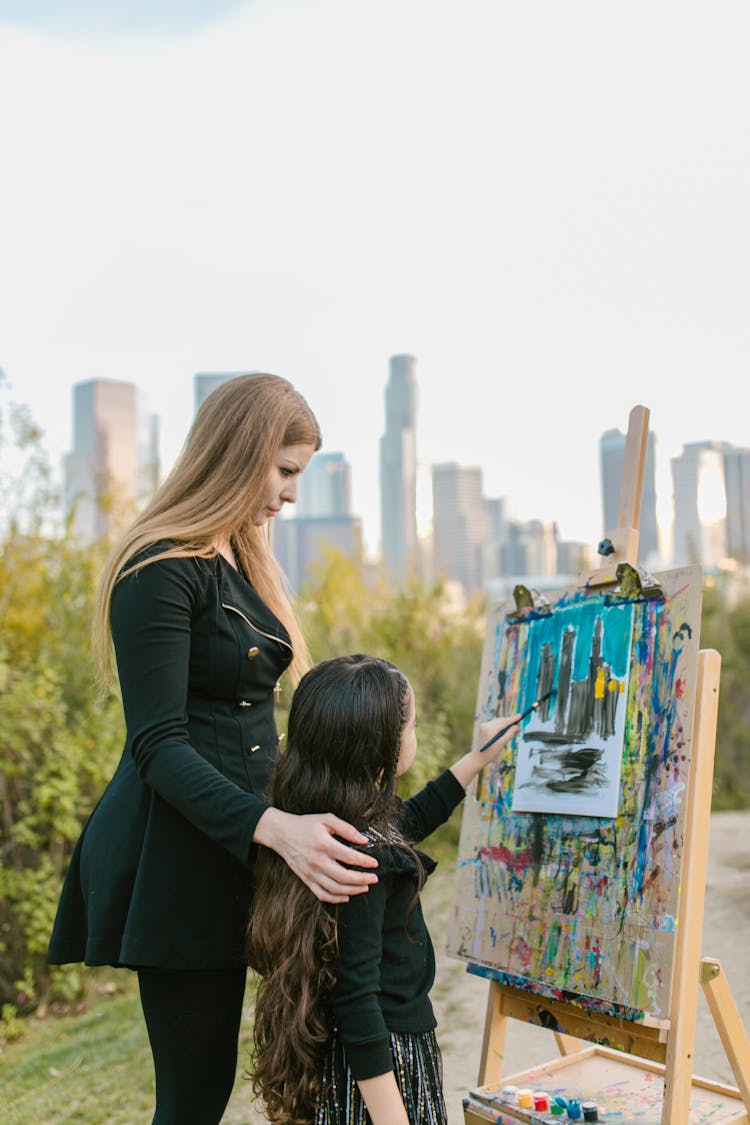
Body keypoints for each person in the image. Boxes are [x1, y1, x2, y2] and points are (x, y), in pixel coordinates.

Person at [47, 374, 378, 1125]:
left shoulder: (239, 558)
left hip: (238, 845)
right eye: (286, 470)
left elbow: (251, 720)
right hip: (176, 855)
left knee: (232, 1079)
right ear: (239, 452)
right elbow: (158, 745)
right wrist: (281, 830)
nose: (292, 494)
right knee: (193, 1097)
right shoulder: (159, 567)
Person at [247, 653, 521, 1125]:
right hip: (383, 1066)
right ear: (380, 749)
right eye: (411, 726)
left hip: (361, 1061)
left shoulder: (337, 830)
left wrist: (474, 760)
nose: (413, 733)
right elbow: (357, 1003)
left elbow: (409, 820)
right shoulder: (364, 862)